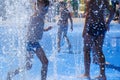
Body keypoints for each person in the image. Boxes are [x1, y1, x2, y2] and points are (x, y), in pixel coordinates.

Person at [7, 0, 52, 80]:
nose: (46, 10)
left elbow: (37, 28)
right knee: (45, 62)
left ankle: (11, 73)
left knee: (28, 66)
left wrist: (45, 29)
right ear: (37, 6)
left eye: (46, 8)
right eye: (44, 7)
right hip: (32, 43)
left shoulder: (40, 16)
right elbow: (29, 30)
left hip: (32, 42)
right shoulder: (35, 16)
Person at [81, 0, 114, 80]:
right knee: (99, 50)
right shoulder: (104, 1)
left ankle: (87, 73)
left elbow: (88, 15)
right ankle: (102, 75)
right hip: (101, 27)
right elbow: (112, 12)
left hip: (91, 28)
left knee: (86, 50)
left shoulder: (90, 1)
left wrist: (85, 29)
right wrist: (107, 23)